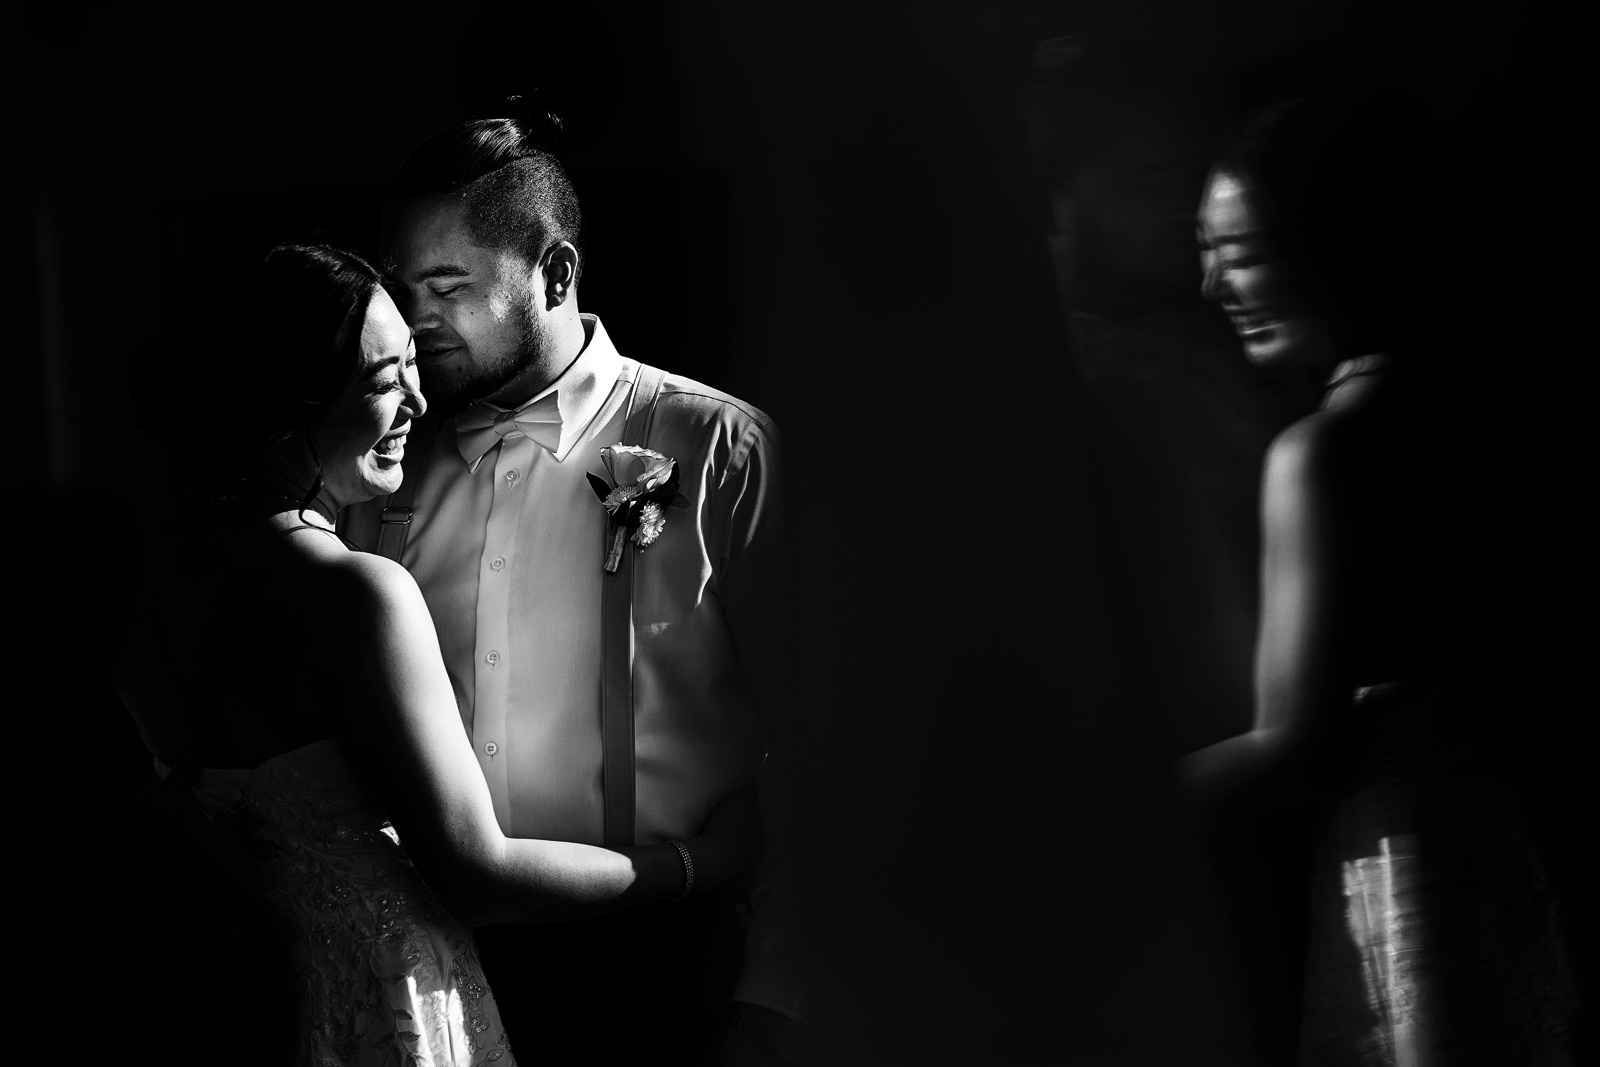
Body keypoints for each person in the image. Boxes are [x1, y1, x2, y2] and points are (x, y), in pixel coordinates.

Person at [112, 242, 760, 1067]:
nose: (422, 400)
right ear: (286, 405)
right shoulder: (354, 593)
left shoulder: (147, 580)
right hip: (386, 1000)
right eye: (385, 379)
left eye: (417, 365)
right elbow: (475, 873)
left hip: (249, 1006)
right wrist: (697, 862)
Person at [343, 114, 800, 1066]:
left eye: (447, 285)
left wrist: (775, 1007)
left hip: (679, 964)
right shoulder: (381, 473)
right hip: (438, 976)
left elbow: (826, 752)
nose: (414, 316)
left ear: (555, 273)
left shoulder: (721, 452)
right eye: (399, 285)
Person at [1190, 92, 1583, 1063]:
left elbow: (1295, 743)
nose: (1210, 285)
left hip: (1417, 875)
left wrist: (1110, 807)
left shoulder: (1322, 455)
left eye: (1238, 253)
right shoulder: (1504, 411)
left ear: (1339, 249)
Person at [1020, 34, 1317, 758]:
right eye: (1154, 184)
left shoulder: (1249, 350)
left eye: (1196, 181)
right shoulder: (1028, 401)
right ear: (1055, 200)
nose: (1194, 216)